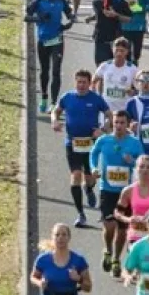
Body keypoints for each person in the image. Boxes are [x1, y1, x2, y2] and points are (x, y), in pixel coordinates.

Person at [51, 69, 110, 227]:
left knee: (90, 179)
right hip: (73, 143)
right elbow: (55, 111)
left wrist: (102, 130)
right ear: (75, 82)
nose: (81, 85)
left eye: (84, 82)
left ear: (89, 83)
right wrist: (54, 121)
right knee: (76, 175)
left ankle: (89, 188)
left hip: (91, 144)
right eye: (79, 82)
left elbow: (110, 115)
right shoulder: (68, 97)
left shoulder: (96, 99)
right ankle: (80, 214)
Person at [89, 111, 144, 278]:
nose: (119, 125)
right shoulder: (104, 140)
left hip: (126, 192)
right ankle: (107, 249)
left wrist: (132, 162)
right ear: (112, 123)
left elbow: (143, 162)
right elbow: (93, 154)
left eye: (122, 122)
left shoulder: (134, 143)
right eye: (116, 122)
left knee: (122, 230)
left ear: (127, 124)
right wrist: (94, 168)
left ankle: (116, 259)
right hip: (107, 189)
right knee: (109, 225)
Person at [30, 223, 92, 295]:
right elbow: (33, 277)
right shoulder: (43, 259)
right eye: (57, 235)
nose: (60, 238)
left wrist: (79, 279)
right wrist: (40, 283)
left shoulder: (78, 260)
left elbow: (88, 286)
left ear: (69, 237)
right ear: (52, 237)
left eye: (64, 234)